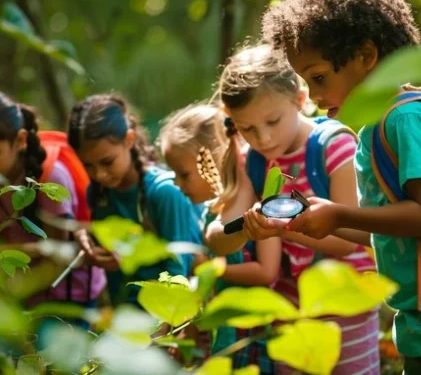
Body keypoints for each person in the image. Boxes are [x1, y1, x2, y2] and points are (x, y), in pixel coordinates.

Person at [260, 0, 421, 373]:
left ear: (365, 55)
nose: (315, 96)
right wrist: (313, 220)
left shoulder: (407, 118)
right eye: (306, 82)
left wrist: (341, 214)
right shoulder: (374, 128)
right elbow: (387, 229)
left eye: (319, 77)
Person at [205, 44, 379, 374]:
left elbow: (349, 239)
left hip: (345, 307)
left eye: (272, 121)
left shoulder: (334, 145)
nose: (263, 138)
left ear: (300, 100)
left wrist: (281, 227)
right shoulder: (252, 160)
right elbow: (218, 235)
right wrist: (244, 227)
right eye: (247, 129)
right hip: (288, 309)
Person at [0, 88, 105, 314]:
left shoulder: (50, 178)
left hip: (66, 299)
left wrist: (12, 289)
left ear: (20, 140)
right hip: (7, 300)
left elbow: (59, 256)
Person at [159, 103, 279, 373]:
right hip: (225, 334)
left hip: (255, 332)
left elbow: (265, 271)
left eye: (183, 173)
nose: (176, 182)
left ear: (213, 158)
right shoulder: (210, 213)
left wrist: (212, 270)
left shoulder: (254, 205)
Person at [67, 93, 202, 306]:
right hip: (124, 316)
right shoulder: (98, 194)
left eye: (107, 162)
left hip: (168, 319)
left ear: (129, 140)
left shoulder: (165, 193)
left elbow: (178, 273)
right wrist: (89, 242)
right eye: (88, 166)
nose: (99, 174)